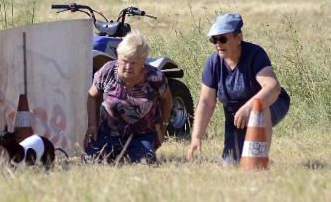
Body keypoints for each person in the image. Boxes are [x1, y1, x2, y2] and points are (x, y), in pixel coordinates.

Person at [187, 12, 290, 164]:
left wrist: (249, 107)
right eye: (214, 39)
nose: (218, 44)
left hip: (272, 103)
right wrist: (196, 137)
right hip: (235, 115)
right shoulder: (213, 63)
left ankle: (260, 161)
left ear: (238, 37)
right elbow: (206, 102)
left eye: (223, 39)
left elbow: (273, 87)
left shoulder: (255, 54)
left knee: (259, 110)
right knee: (230, 164)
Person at [84, 30, 173, 164]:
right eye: (125, 61)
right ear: (118, 57)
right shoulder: (107, 71)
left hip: (142, 135)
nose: (128, 66)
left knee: (145, 164)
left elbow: (167, 99)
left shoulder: (155, 77)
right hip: (108, 133)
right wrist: (92, 125)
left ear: (143, 61)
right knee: (90, 161)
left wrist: (163, 125)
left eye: (134, 63)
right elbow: (92, 96)